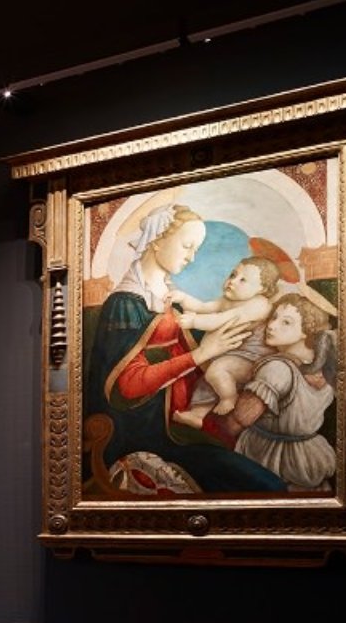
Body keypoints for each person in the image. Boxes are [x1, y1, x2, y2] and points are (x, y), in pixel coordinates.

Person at [86, 199, 288, 493]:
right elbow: (127, 386)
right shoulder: (125, 304)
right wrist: (202, 353)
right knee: (264, 488)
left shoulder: (169, 297)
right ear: (157, 240)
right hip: (145, 433)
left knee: (270, 485)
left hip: (180, 424)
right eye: (187, 246)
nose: (191, 258)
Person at [214, 293, 340, 491]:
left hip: (272, 458)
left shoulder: (277, 369)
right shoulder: (325, 368)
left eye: (286, 322)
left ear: (307, 330)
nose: (271, 325)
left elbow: (237, 422)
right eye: (274, 317)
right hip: (308, 456)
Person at [171, 254, 282, 428]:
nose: (233, 281)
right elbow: (203, 307)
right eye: (233, 275)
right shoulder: (229, 299)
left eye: (243, 280)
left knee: (217, 370)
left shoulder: (258, 305)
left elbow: (220, 320)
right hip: (231, 353)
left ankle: (229, 398)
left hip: (252, 358)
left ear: (262, 288)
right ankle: (197, 415)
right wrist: (183, 298)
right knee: (208, 379)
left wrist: (194, 321)